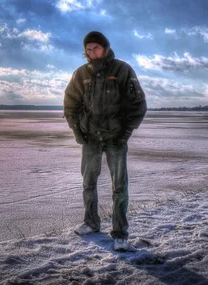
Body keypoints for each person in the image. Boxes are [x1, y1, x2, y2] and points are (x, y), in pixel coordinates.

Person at [63, 31, 147, 252]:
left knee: (119, 187)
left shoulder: (122, 70)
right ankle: (91, 223)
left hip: (115, 139)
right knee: (88, 183)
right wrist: (77, 130)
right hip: (90, 138)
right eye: (88, 49)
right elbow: (71, 104)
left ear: (106, 48)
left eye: (96, 48)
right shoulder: (81, 74)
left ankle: (120, 233)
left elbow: (137, 104)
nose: (92, 53)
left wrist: (125, 133)